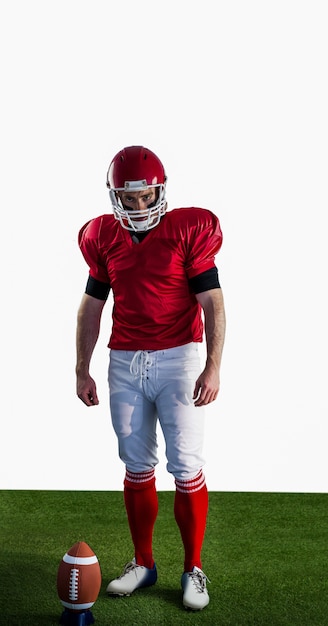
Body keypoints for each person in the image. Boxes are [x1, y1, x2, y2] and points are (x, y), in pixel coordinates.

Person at [75, 145, 225, 611]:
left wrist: (213, 364)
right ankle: (144, 562)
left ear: (161, 192)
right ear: (114, 196)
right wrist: (82, 365)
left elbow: (212, 301)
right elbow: (92, 306)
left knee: (185, 465)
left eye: (146, 197)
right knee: (136, 464)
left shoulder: (188, 229)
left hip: (179, 356)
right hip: (124, 359)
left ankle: (193, 568)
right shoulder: (101, 235)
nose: (138, 206)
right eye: (129, 198)